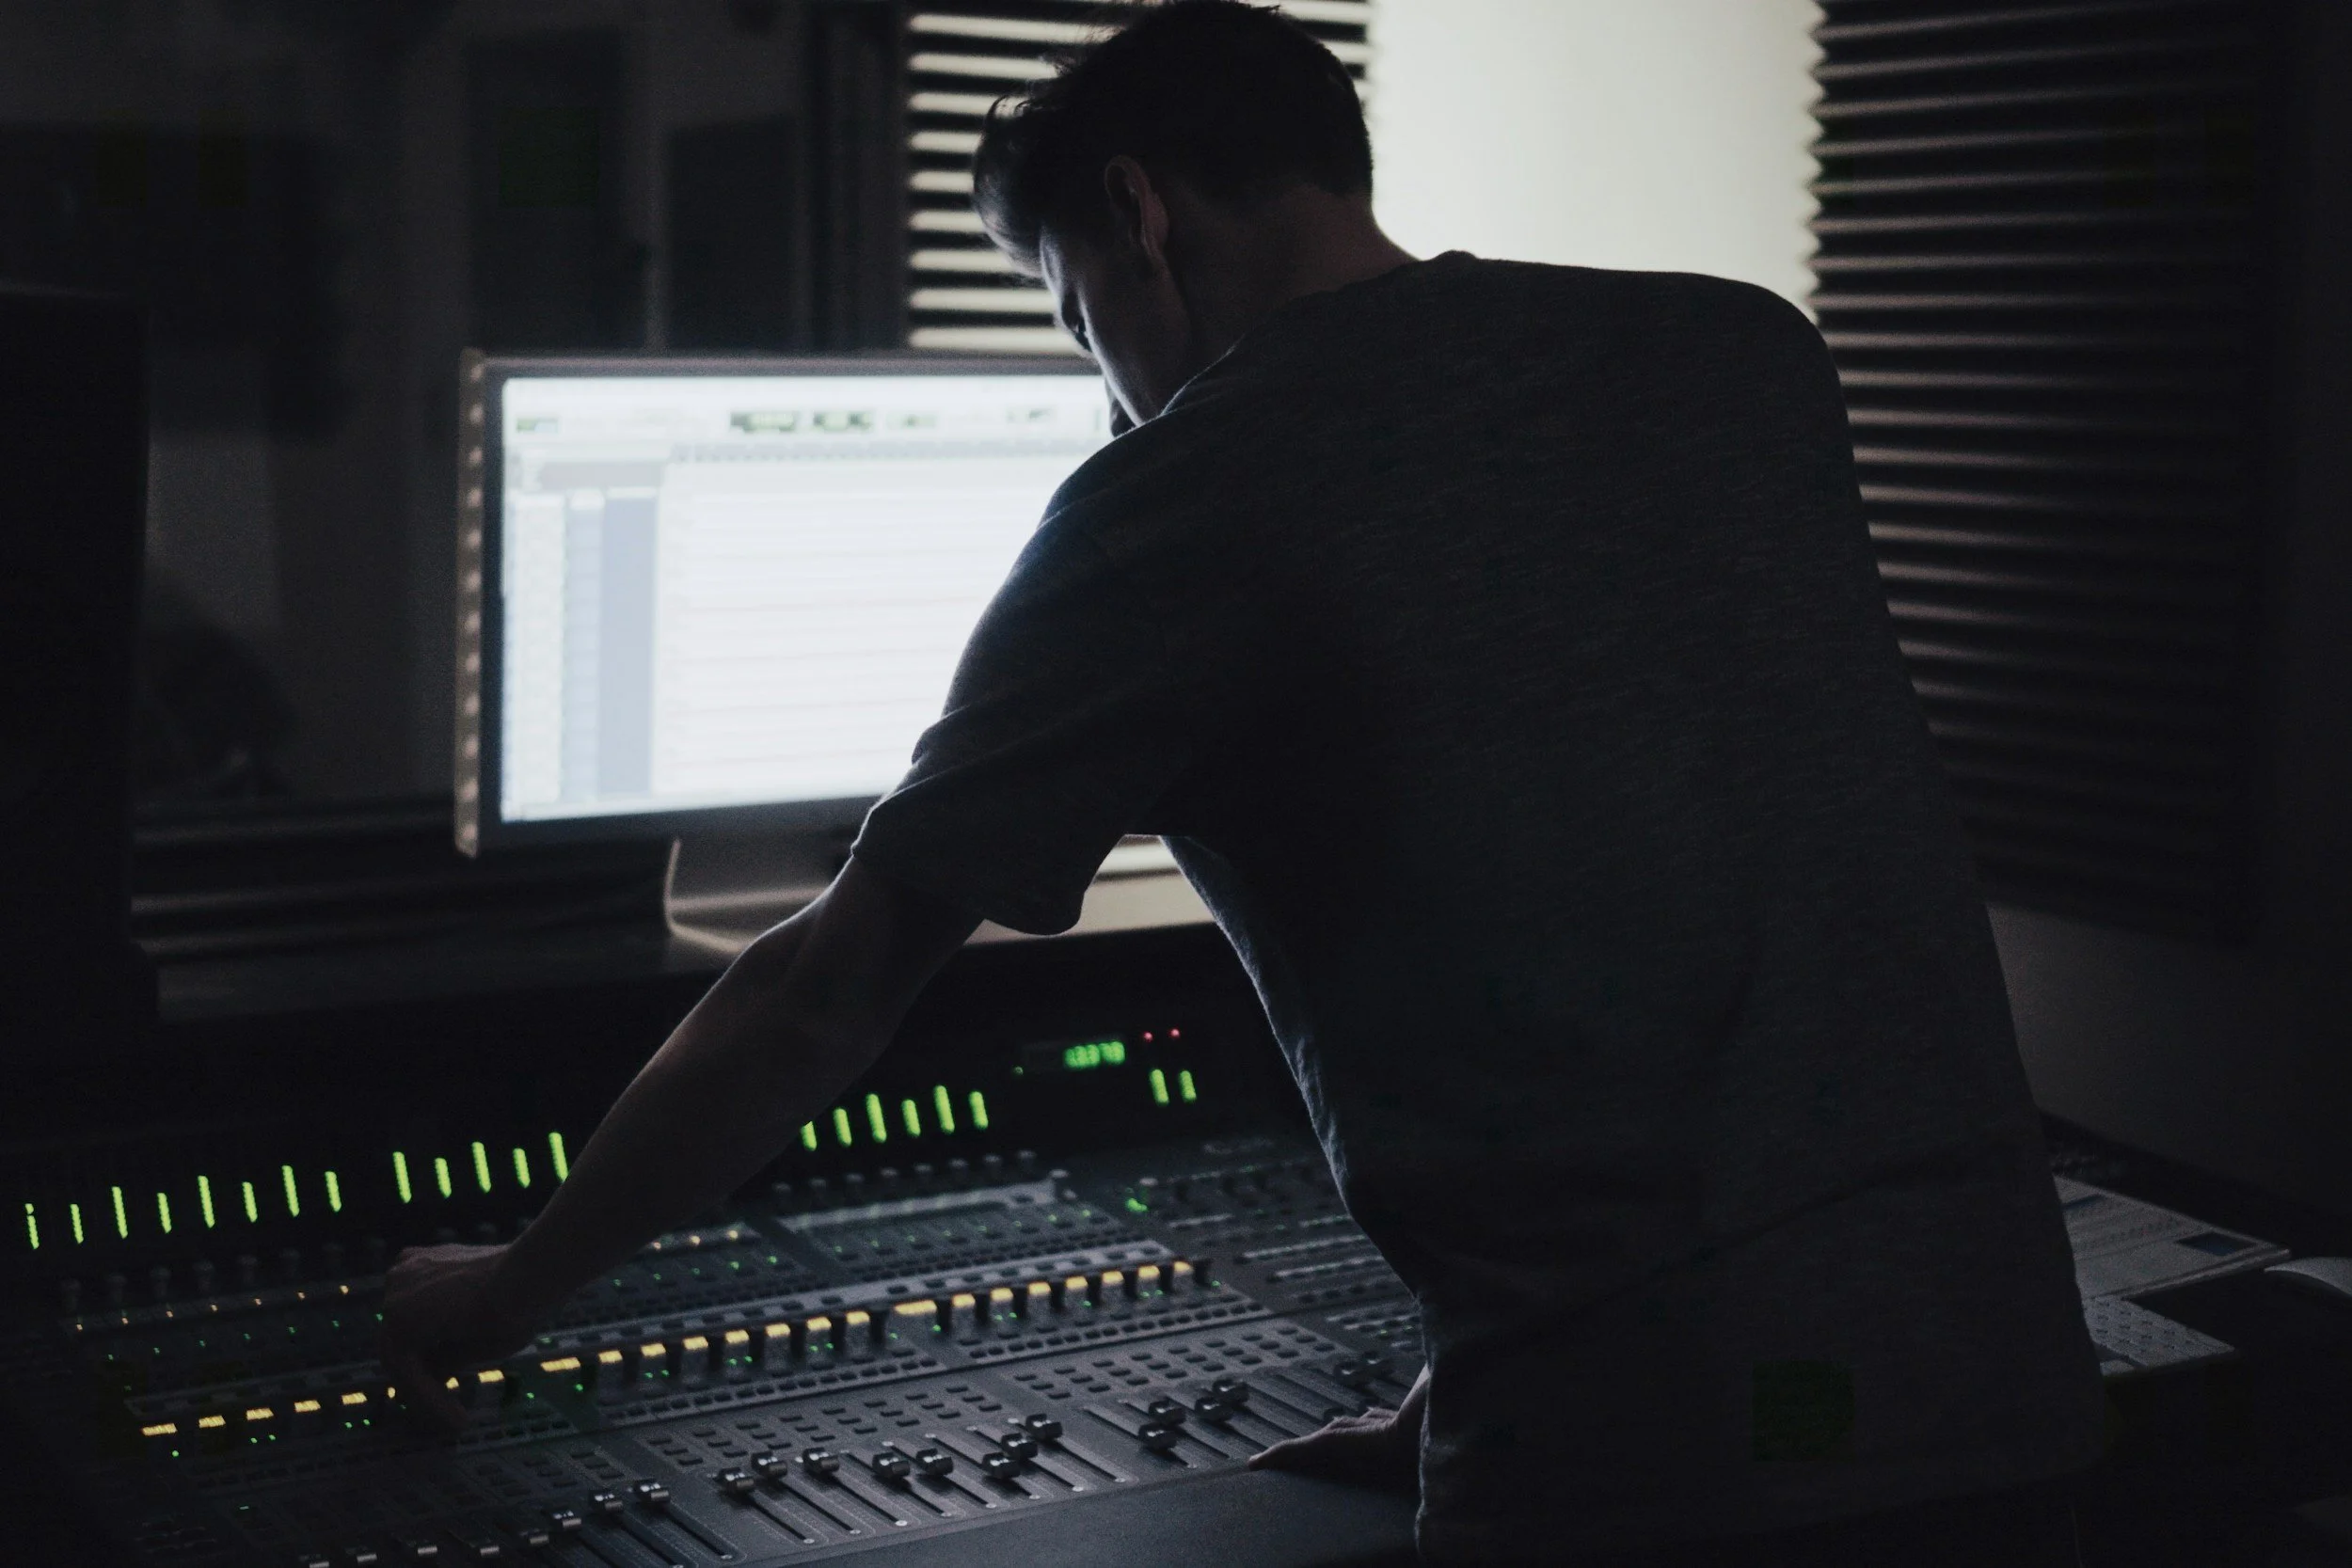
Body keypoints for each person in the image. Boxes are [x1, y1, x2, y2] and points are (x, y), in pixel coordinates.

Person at [381, 3, 2106, 1562]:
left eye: (1075, 318)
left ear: (1137, 214)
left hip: (1654, 1450)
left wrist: (501, 1290)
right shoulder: (1741, 353)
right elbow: (1682, 843)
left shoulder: (1184, 493)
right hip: (1991, 1363)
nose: (1109, 389)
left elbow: (828, 995)